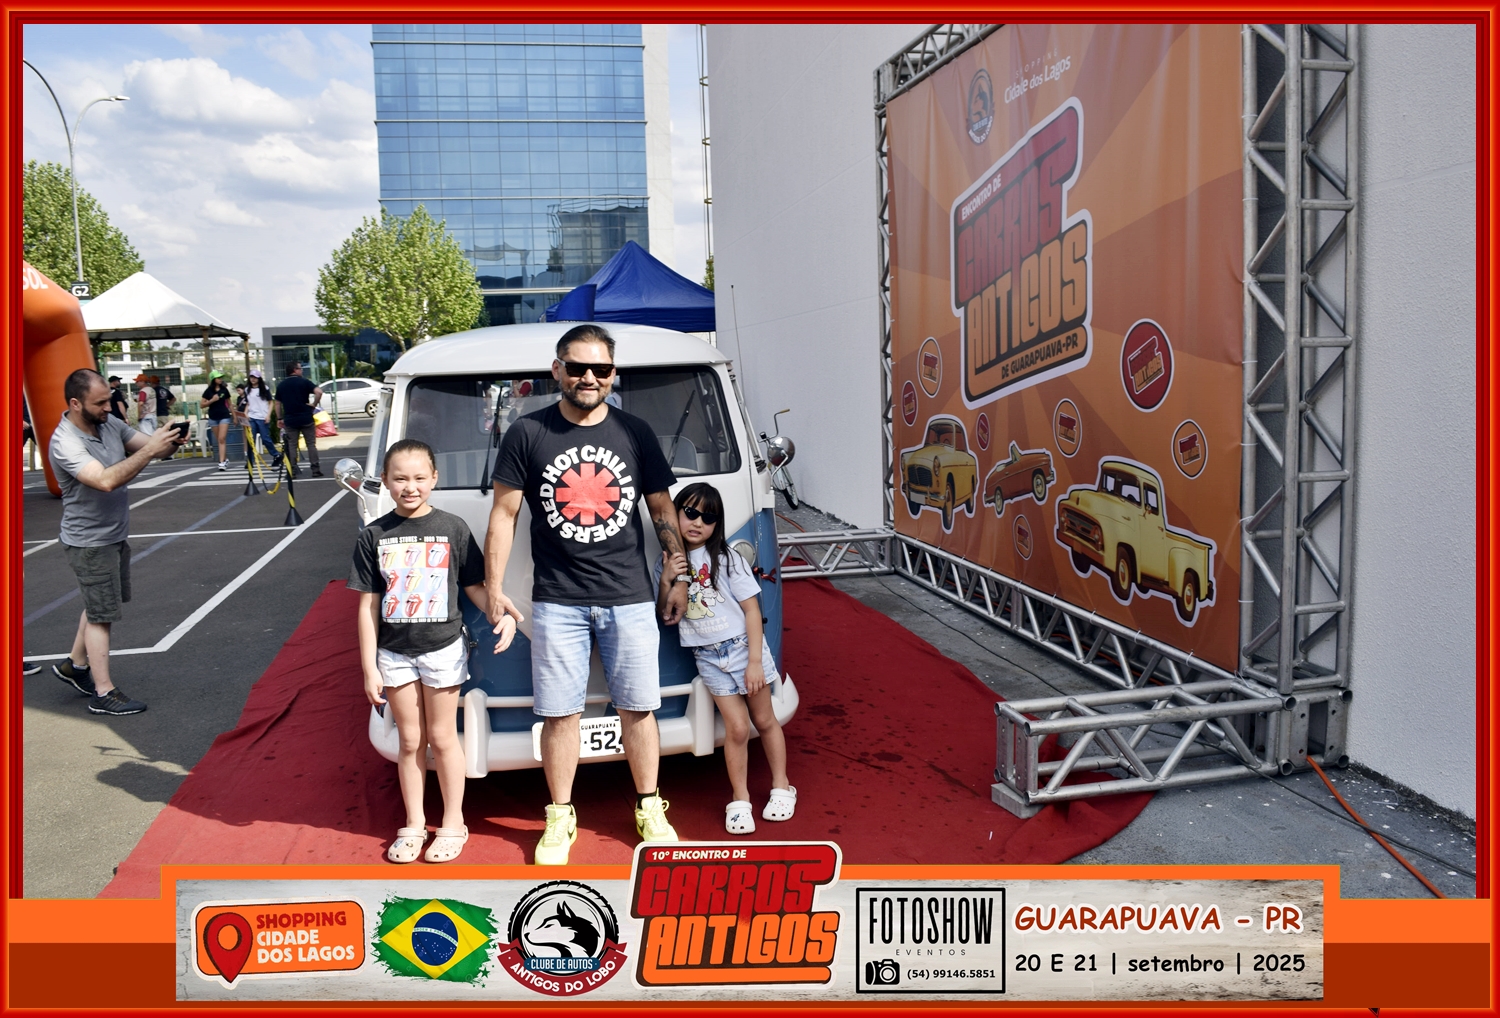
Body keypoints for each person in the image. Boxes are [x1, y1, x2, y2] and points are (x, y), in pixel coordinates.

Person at [485, 323, 689, 865]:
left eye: (601, 368)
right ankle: (560, 815)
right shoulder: (527, 433)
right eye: (577, 367)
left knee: (639, 709)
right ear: (557, 370)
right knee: (559, 715)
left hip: (629, 596)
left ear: (614, 373)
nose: (589, 377)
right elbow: (503, 516)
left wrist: (678, 576)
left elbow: (661, 510)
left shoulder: (635, 432)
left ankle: (649, 806)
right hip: (557, 599)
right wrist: (494, 588)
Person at [348, 438, 515, 863]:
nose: (410, 487)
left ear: (434, 479)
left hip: (443, 650)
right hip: (393, 654)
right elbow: (367, 606)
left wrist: (504, 614)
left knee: (442, 737)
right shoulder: (373, 535)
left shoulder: (453, 527)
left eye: (420, 477)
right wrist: (369, 667)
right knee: (409, 740)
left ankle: (453, 822)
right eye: (400, 478)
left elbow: (475, 587)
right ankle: (415, 822)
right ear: (385, 480)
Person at [655, 483, 795, 834]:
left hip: (742, 649)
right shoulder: (667, 562)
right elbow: (666, 615)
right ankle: (740, 799)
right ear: (675, 514)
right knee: (736, 728)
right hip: (707, 657)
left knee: (764, 719)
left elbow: (752, 611)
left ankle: (782, 786)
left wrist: (754, 662)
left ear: (717, 524)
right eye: (690, 513)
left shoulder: (727, 558)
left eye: (708, 517)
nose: (697, 522)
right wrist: (666, 579)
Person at [48, 368, 187, 715]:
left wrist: (169, 442)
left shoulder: (107, 422)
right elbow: (105, 480)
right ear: (76, 404)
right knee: (101, 615)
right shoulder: (65, 442)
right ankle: (103, 692)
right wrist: (150, 450)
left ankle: (74, 665)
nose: (109, 407)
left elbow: (150, 450)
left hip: (112, 534)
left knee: (99, 602)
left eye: (109, 400)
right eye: (100, 403)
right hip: (89, 542)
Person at [273, 361, 323, 477]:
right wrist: (314, 404)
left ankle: (293, 470)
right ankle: (315, 469)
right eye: (300, 368)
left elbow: (277, 404)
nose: (302, 370)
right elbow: (319, 392)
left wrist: (279, 418)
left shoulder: (281, 385)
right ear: (295, 370)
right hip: (306, 417)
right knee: (311, 444)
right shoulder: (304, 382)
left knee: (292, 445)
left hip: (290, 419)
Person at [201, 370, 233, 471]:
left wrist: (235, 416)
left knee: (221, 438)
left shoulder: (224, 390)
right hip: (213, 417)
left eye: (220, 378)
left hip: (224, 416)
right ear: (213, 379)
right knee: (219, 439)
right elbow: (202, 405)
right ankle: (225, 459)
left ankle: (221, 462)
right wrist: (212, 400)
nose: (220, 379)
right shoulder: (208, 391)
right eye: (218, 378)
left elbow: (230, 404)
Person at [242, 369, 274, 461]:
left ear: (259, 378)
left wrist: (268, 415)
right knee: (251, 440)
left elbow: (271, 402)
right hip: (252, 417)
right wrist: (245, 413)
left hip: (262, 417)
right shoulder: (247, 389)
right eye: (251, 377)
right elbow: (248, 403)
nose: (253, 379)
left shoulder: (264, 388)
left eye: (255, 377)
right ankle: (250, 460)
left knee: (265, 438)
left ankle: (275, 454)